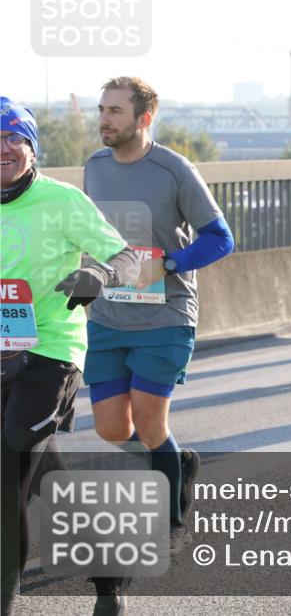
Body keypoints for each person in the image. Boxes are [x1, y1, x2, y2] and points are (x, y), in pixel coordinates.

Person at [82, 77, 234, 608]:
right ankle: (178, 459)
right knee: (110, 428)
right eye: (102, 109)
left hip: (165, 313)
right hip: (106, 315)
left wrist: (167, 263)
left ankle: (166, 517)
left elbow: (221, 238)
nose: (104, 119)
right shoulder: (94, 167)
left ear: (144, 118)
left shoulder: (173, 169)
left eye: (116, 111)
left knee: (148, 421)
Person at [1, 97, 140, 616]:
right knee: (46, 476)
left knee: (9, 459)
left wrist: (99, 275)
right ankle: (110, 570)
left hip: (51, 351)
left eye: (14, 137)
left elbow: (128, 259)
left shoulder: (62, 202)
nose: (3, 149)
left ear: (32, 147)